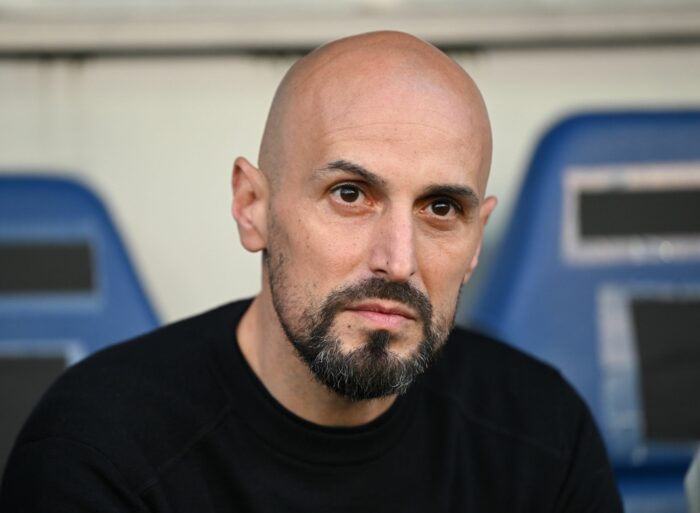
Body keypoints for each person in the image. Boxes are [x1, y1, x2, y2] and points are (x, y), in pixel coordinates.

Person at [0, 31, 623, 512]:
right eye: (350, 194)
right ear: (252, 207)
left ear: (476, 238)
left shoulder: (542, 433)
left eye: (440, 209)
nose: (398, 261)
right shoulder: (99, 452)